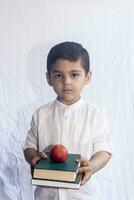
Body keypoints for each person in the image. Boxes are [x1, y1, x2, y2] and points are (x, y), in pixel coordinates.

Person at [23, 41, 112, 200]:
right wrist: (33, 158)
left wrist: (91, 166)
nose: (66, 82)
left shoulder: (96, 114)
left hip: (82, 195)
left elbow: (104, 150)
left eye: (74, 74)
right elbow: (29, 146)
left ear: (88, 76)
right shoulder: (40, 114)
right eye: (58, 75)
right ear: (48, 78)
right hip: (46, 195)